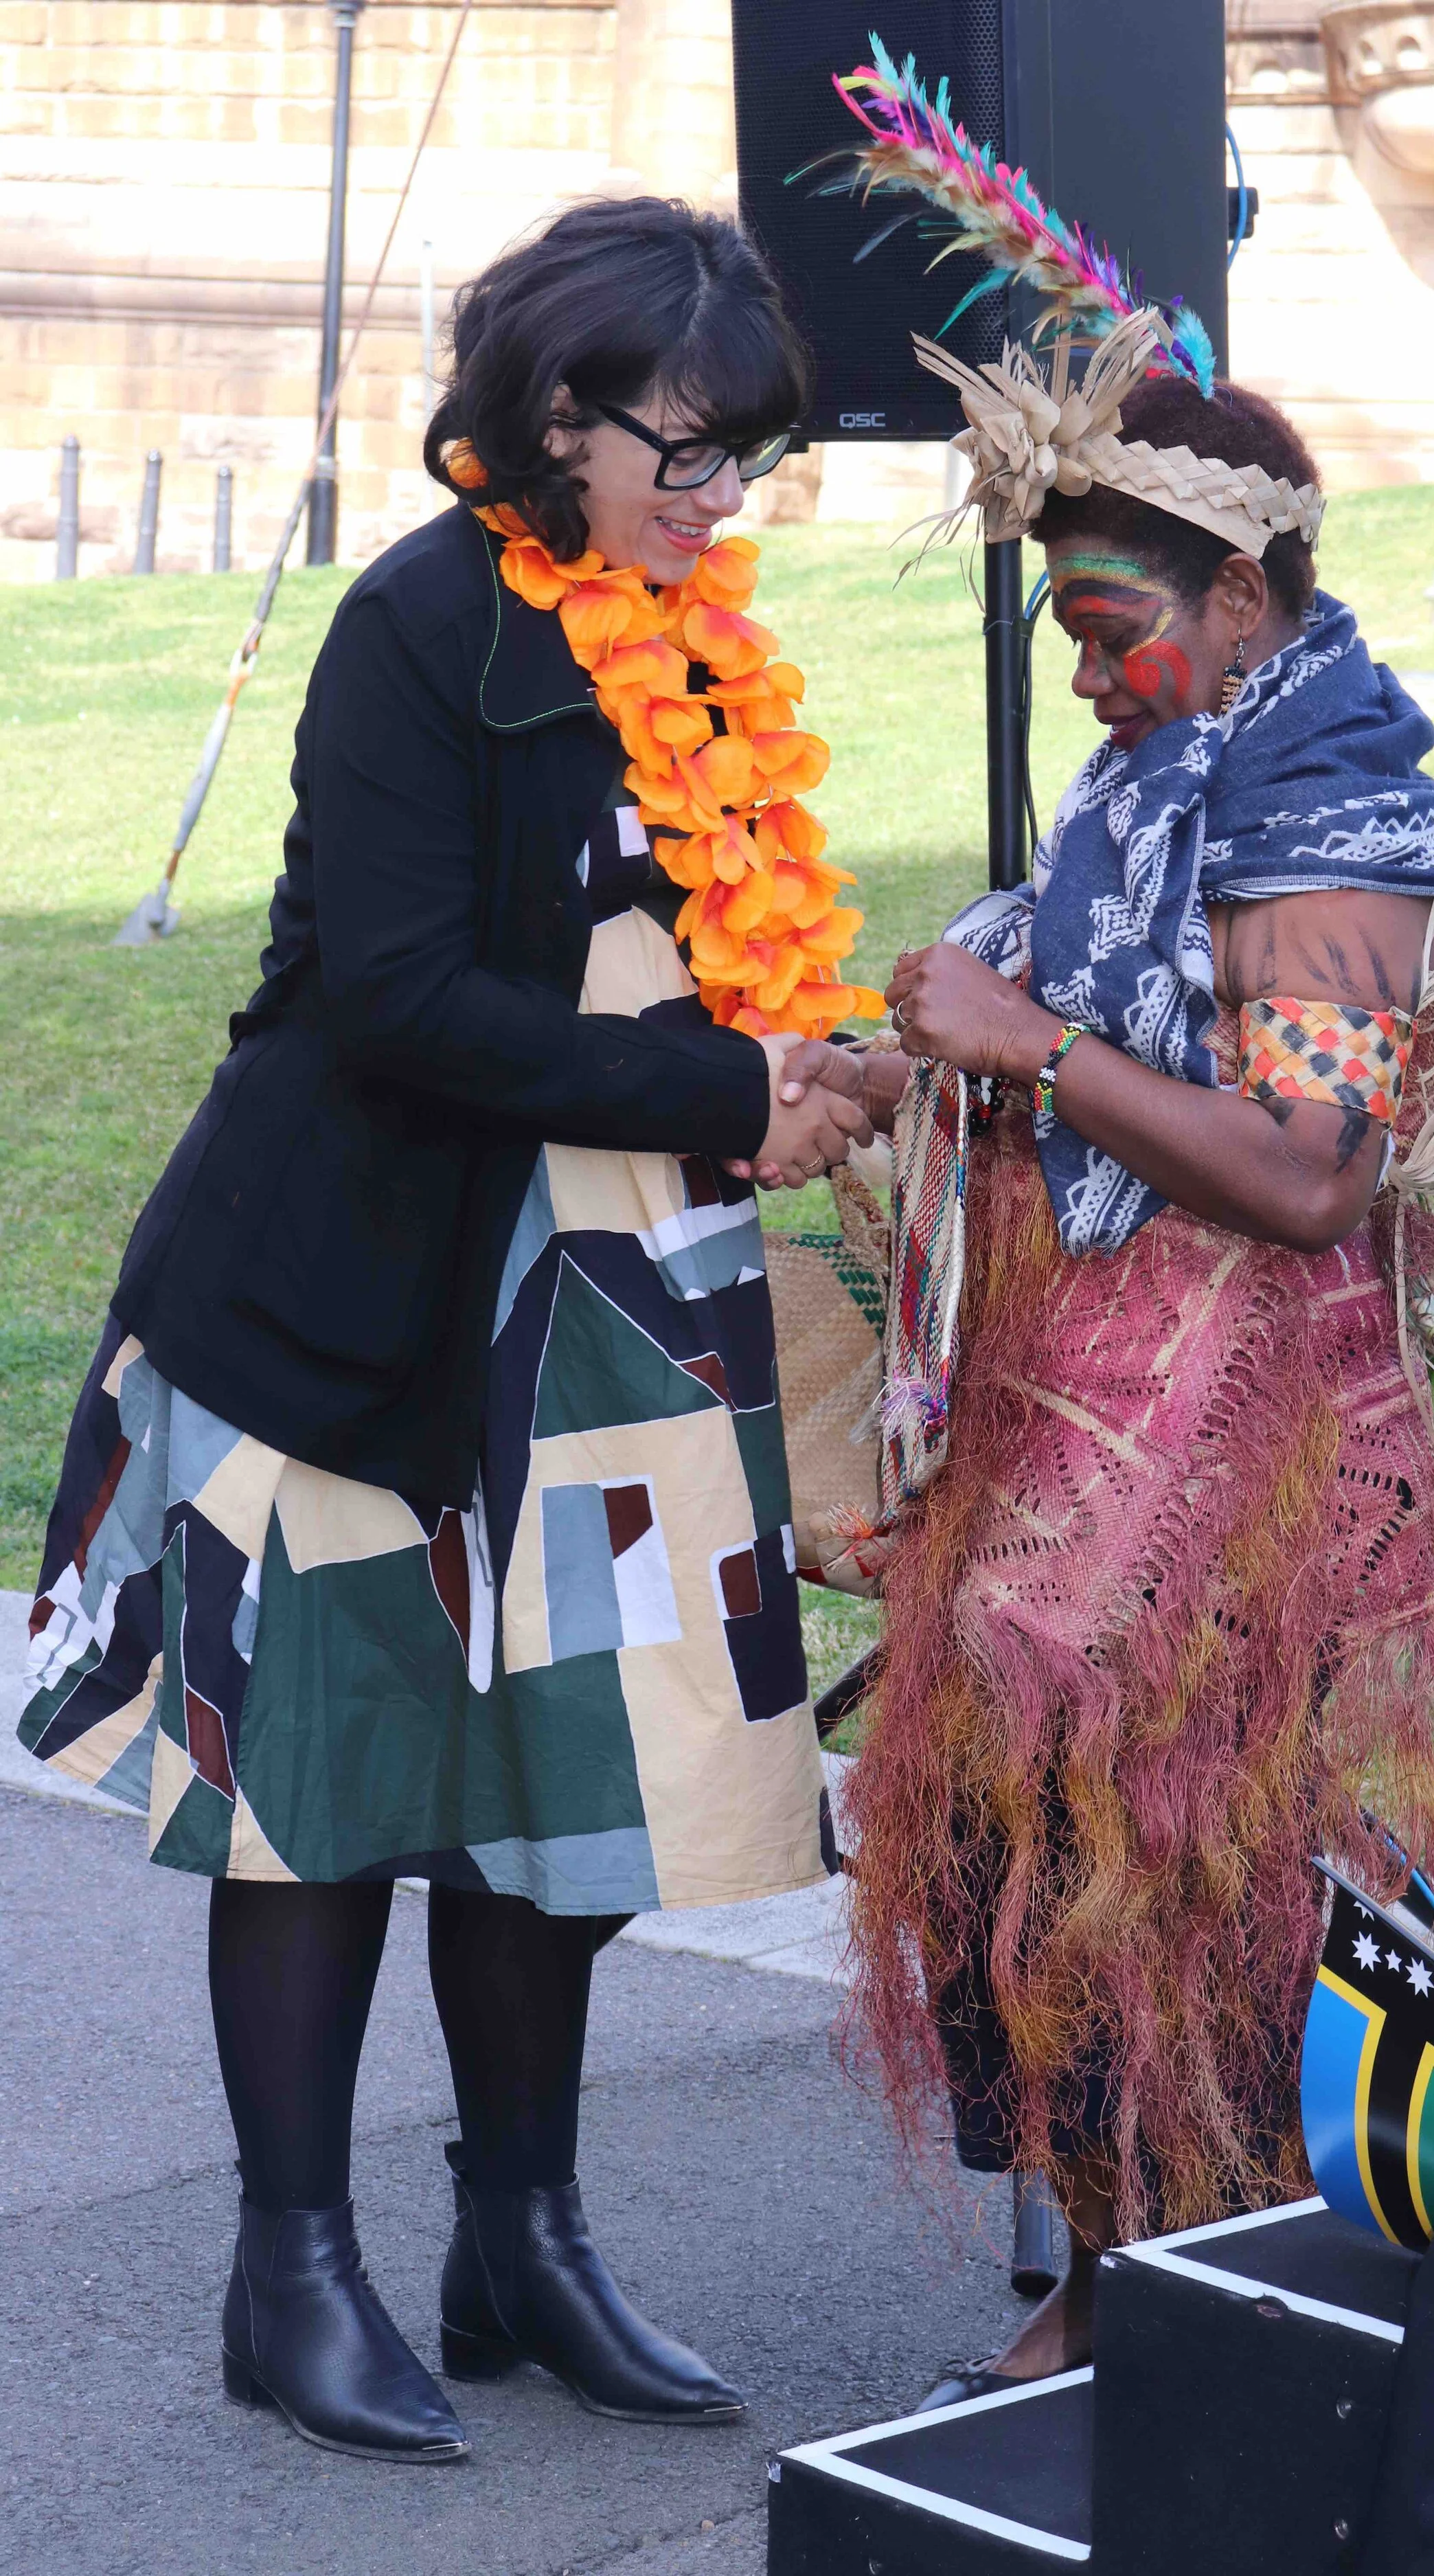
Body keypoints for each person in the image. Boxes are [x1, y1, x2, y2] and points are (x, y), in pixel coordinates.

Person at [16, 196, 873, 2463]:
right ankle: (286, 2269)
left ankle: (524, 2235)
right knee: (325, 1784)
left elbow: (699, 930)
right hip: (366, 1283)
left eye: (742, 468)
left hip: (617, 1291)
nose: (710, 506)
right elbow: (395, 999)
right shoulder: (419, 627)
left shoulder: (685, 635)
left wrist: (812, 1060)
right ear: (545, 412)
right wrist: (726, 1084)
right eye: (679, 457)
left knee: (564, 1783)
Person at [847, 319, 1434, 2408]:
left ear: (1240, 596)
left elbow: (1309, 1172)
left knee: (1152, 1834)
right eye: (1063, 633)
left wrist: (1029, 1046)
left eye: (1116, 627)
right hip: (1101, 1392)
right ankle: (1130, 2260)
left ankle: (1162, 2289)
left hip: (1246, 1429)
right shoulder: (1159, 786)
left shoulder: (1328, 822)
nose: (1088, 676)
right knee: (1008, 1802)